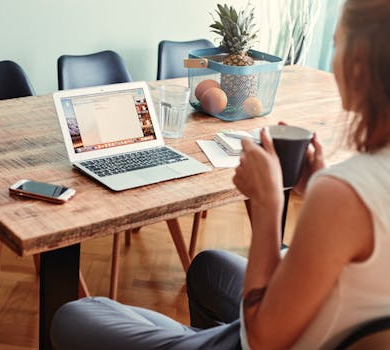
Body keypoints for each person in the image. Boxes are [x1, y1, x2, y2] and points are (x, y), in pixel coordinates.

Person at [50, 0, 390, 348]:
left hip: (264, 338)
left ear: (359, 64)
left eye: (336, 44)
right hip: (318, 320)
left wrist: (268, 202)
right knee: (209, 267)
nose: (333, 58)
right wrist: (317, 182)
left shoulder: (344, 194)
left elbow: (263, 339)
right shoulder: (354, 185)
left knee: (74, 315)